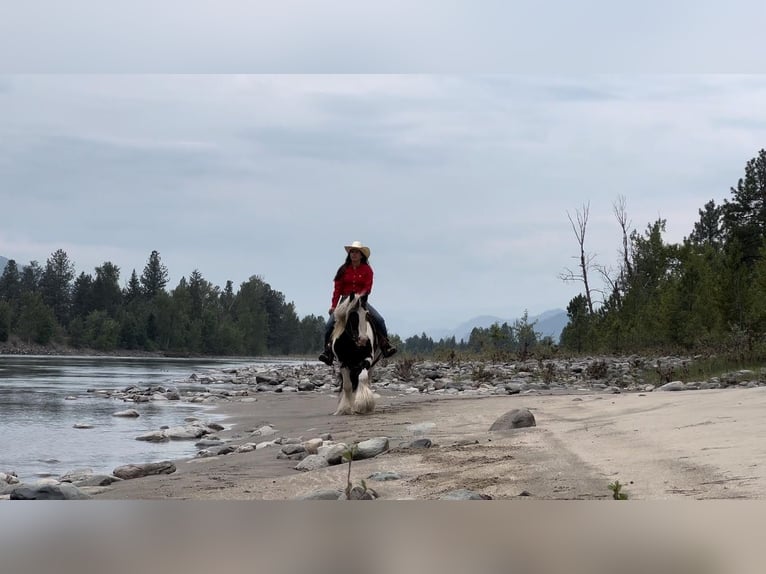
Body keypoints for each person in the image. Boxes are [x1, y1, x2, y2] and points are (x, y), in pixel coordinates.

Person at [318, 240, 397, 365]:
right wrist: (334, 305)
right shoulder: (343, 270)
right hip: (344, 301)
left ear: (361, 255)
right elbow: (337, 290)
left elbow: (368, 287)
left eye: (356, 252)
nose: (353, 254)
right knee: (329, 325)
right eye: (352, 252)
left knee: (380, 320)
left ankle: (385, 345)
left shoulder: (367, 270)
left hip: (361, 301)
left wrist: (360, 297)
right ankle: (327, 351)